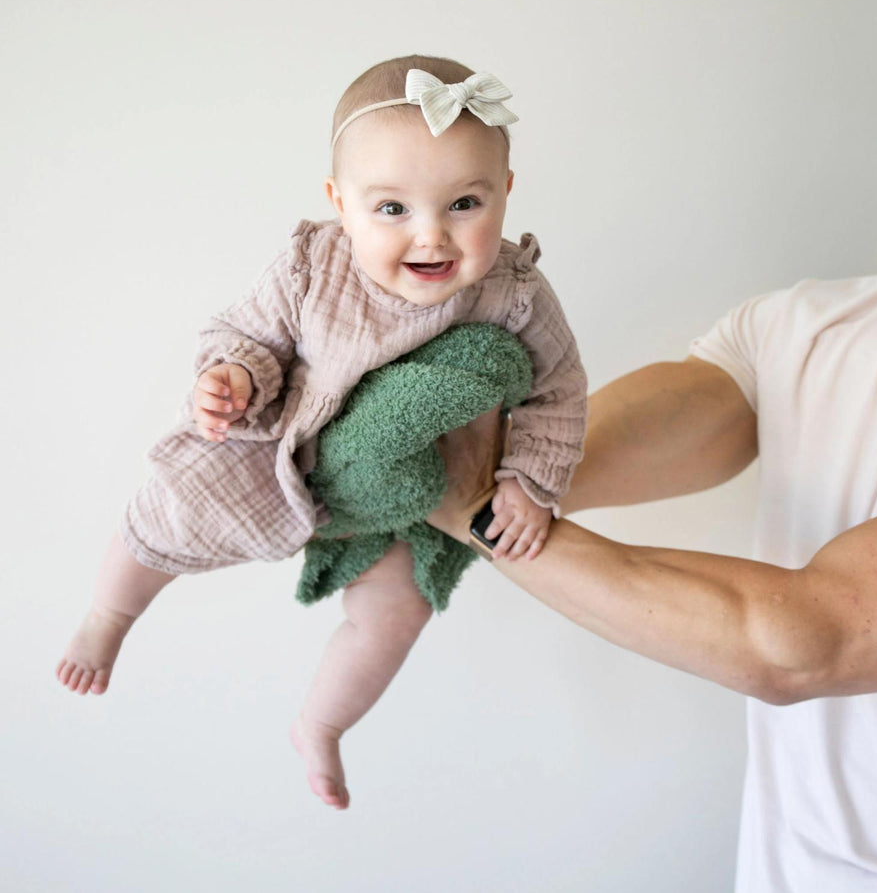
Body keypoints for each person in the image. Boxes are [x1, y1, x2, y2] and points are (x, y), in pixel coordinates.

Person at [55, 55, 587, 811]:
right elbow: (246, 334)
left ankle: (322, 724)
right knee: (169, 506)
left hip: (408, 499)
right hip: (280, 447)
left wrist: (528, 483)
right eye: (392, 209)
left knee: (397, 613)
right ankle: (109, 617)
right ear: (341, 204)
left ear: (506, 192)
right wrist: (233, 377)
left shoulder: (517, 296)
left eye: (465, 202)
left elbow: (559, 392)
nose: (432, 236)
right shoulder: (312, 267)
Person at [429, 273, 877, 890]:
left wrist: (473, 512)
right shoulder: (817, 321)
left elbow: (810, 642)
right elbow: (622, 442)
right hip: (790, 867)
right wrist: (425, 468)